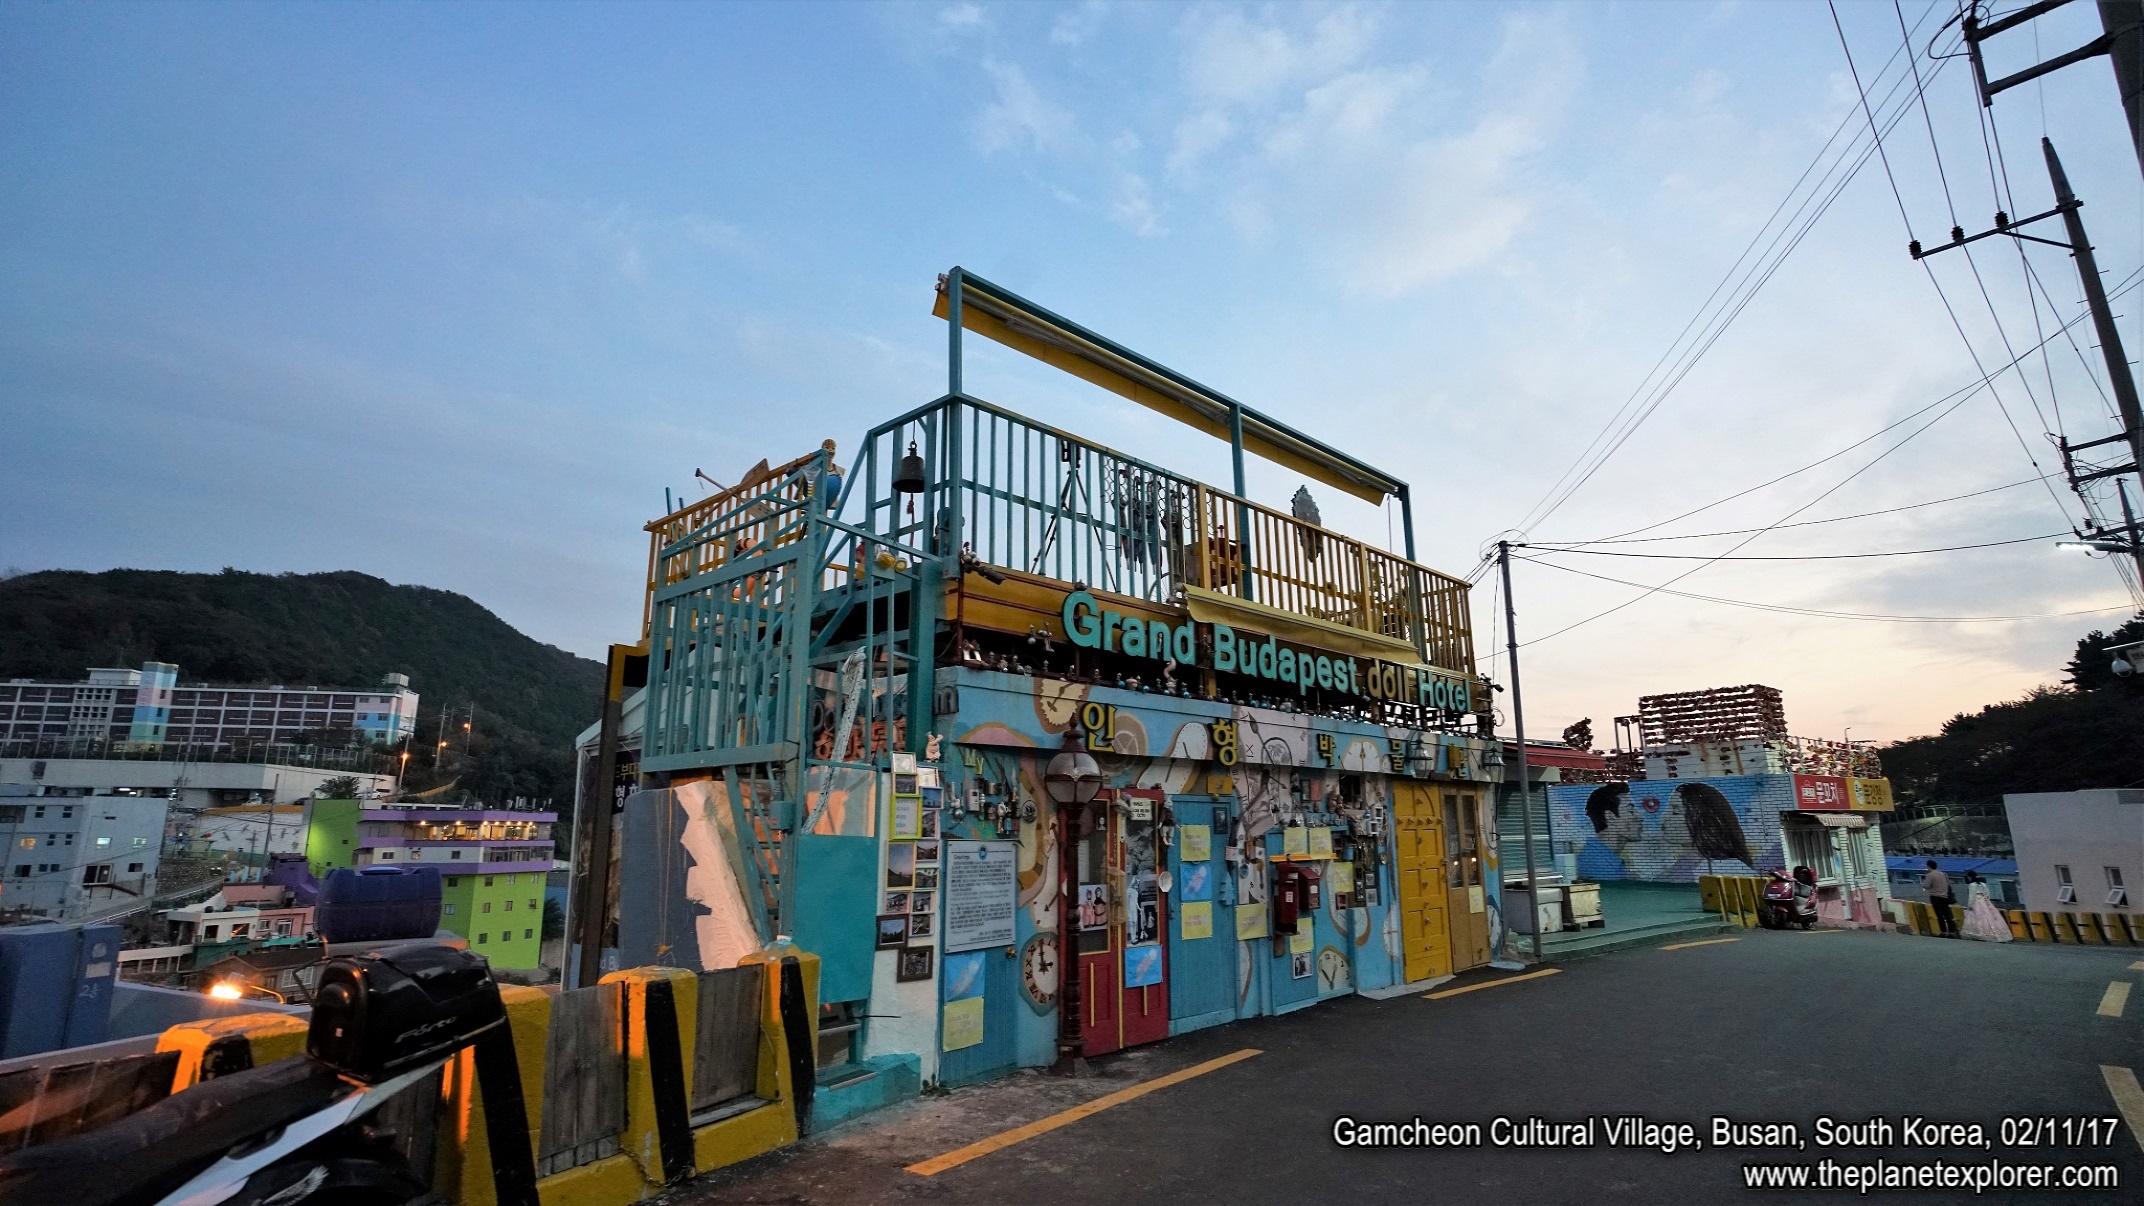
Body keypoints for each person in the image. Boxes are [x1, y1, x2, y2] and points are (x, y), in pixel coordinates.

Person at [1960, 869, 2014, 942]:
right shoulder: (1983, 884)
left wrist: (1970, 905)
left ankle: (1978, 933)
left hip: (1976, 901)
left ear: (1970, 877)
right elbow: (1988, 894)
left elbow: (1972, 896)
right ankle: (1995, 933)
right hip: (1984, 901)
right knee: (1990, 917)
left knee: (1977, 917)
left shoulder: (1971, 885)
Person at [1922, 859, 1957, 938]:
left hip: (1935, 897)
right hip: (1945, 897)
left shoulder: (1929, 875)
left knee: (1939, 915)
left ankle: (1943, 932)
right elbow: (1949, 884)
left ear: (1928, 866)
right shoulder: (1944, 874)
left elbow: (1926, 886)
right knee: (1948, 915)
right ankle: (1952, 932)